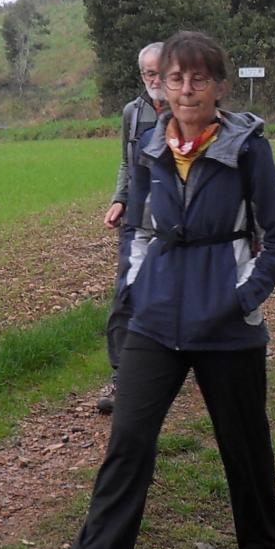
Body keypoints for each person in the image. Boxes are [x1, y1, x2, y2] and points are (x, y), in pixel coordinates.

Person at [38, 30, 275, 549]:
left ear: (218, 87)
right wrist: (133, 291)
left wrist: (243, 299)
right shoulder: (151, 144)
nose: (185, 89)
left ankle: (262, 547)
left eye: (198, 79)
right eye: (175, 78)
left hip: (226, 324)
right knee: (126, 445)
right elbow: (136, 224)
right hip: (154, 319)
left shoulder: (247, 148)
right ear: (161, 84)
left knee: (244, 440)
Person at [98, 43, 167, 415]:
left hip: (176, 225)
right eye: (148, 74)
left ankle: (176, 368)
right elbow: (127, 164)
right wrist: (119, 199)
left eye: (160, 72)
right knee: (125, 297)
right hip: (137, 222)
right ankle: (123, 379)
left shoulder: (187, 109)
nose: (155, 80)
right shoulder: (132, 113)